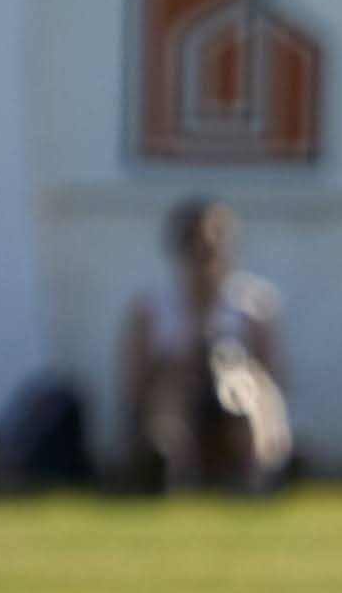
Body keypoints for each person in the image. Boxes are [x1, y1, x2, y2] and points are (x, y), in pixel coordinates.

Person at [112, 196, 292, 494]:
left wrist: (230, 368)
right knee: (173, 388)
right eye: (195, 250)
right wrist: (181, 364)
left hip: (235, 410)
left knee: (243, 384)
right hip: (176, 407)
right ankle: (168, 467)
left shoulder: (255, 306)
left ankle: (260, 467)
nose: (205, 261)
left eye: (213, 250)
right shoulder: (150, 310)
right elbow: (132, 388)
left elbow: (275, 381)